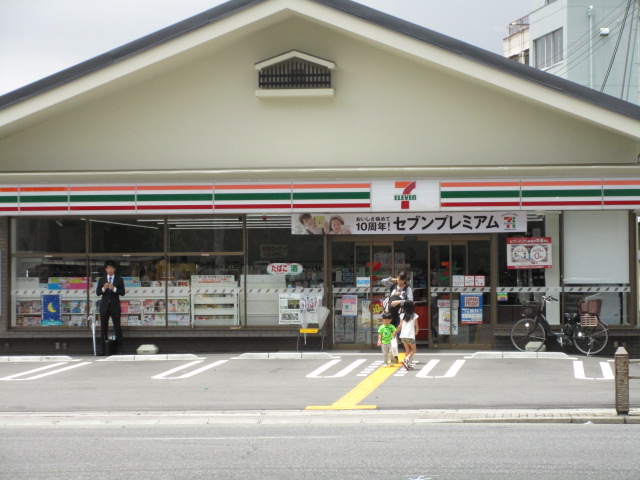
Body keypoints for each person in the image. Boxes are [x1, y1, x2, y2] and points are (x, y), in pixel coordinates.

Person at [381, 272, 413, 363]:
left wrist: (399, 302)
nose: (400, 281)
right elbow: (383, 281)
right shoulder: (393, 286)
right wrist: (393, 279)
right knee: (391, 336)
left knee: (401, 335)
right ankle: (394, 357)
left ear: (405, 280)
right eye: (399, 279)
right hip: (390, 314)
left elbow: (410, 301)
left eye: (402, 280)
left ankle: (408, 357)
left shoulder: (407, 289)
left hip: (401, 315)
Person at [96, 260, 126, 355]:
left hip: (115, 306)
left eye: (111, 268)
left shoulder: (119, 279)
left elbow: (123, 292)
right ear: (106, 269)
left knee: (117, 327)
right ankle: (102, 349)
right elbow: (98, 293)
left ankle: (120, 349)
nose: (110, 270)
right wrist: (104, 288)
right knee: (103, 328)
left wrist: (114, 288)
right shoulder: (102, 279)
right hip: (104, 307)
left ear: (114, 269)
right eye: (108, 268)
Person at [398, 300, 419, 370]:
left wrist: (395, 332)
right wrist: (416, 331)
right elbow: (416, 326)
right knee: (414, 350)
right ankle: (406, 359)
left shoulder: (402, 315)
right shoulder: (414, 315)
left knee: (407, 349)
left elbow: (400, 325)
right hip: (410, 335)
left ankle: (407, 364)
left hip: (403, 335)